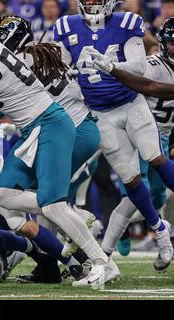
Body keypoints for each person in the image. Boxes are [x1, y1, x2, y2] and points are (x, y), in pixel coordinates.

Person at [0, 9, 117, 288]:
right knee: (2, 193)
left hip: (48, 125)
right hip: (35, 129)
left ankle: (101, 262)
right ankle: (75, 215)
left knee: (51, 204)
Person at [54, 0, 174, 271]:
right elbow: (59, 69)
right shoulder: (66, 26)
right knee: (131, 181)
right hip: (100, 114)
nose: (93, 5)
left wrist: (111, 66)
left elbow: (140, 68)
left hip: (131, 104)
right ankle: (160, 232)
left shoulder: (126, 22)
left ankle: (135, 240)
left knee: (154, 158)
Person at [89, 16, 174, 270]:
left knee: (157, 195)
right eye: (172, 43)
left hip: (164, 136)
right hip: (140, 130)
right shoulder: (153, 64)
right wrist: (113, 66)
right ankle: (105, 252)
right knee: (134, 191)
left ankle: (131, 229)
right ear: (163, 43)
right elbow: (137, 79)